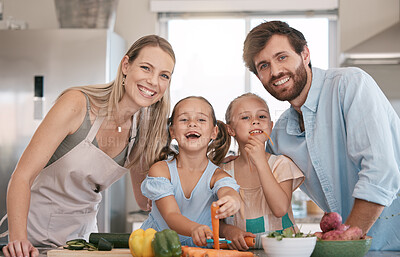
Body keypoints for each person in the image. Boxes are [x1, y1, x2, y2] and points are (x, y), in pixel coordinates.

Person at [1, 35, 176, 257]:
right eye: (145, 68)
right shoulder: (77, 105)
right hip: (30, 237)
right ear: (125, 65)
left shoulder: (144, 130)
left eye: (164, 75)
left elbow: (145, 200)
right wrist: (19, 240)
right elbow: (21, 176)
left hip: (80, 242)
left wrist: (186, 167)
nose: (153, 81)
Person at [242, 20, 400, 250]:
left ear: (305, 54)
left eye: (282, 57)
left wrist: (346, 242)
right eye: (263, 66)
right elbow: (259, 178)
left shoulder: (350, 85)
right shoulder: (280, 134)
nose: (275, 71)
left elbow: (381, 172)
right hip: (353, 249)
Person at [140, 96, 241, 247]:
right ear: (172, 131)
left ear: (214, 132)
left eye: (201, 120)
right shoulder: (161, 170)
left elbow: (228, 191)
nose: (192, 123)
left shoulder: (217, 176)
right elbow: (171, 215)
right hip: (156, 248)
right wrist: (194, 228)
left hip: (198, 251)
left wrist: (233, 201)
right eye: (183, 120)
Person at [219, 93, 304, 250]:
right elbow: (216, 220)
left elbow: (280, 209)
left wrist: (260, 161)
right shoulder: (223, 173)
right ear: (230, 129)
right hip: (243, 252)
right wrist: (227, 230)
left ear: (270, 126)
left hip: (284, 251)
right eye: (245, 117)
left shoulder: (281, 165)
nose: (255, 121)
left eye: (262, 116)